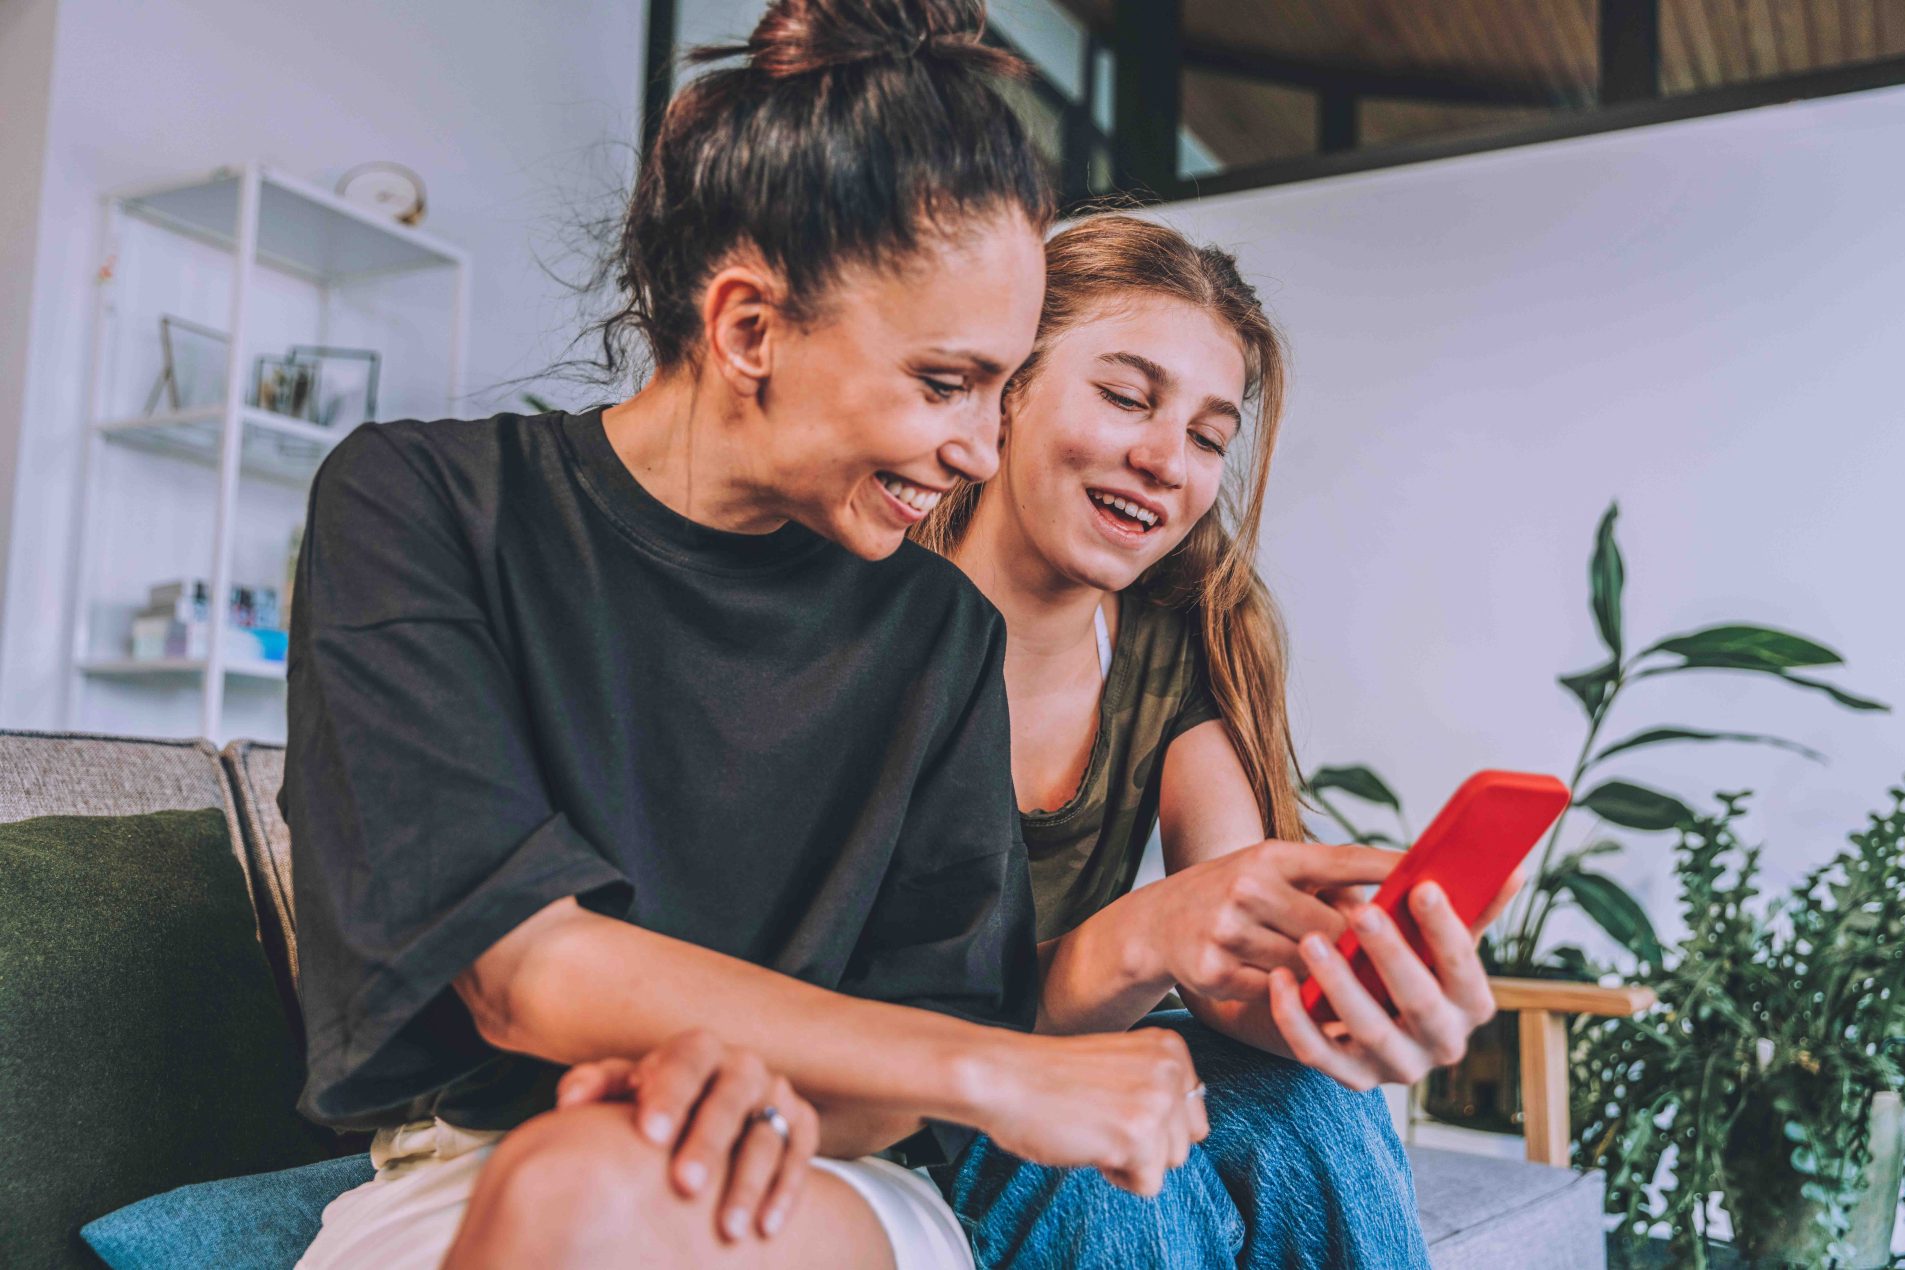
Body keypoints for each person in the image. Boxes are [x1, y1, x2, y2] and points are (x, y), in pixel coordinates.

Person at [283, 12, 1207, 1270]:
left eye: (1002, 387)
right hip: (473, 1169)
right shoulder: (421, 506)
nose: (983, 449)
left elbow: (908, 1059)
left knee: (590, 1195)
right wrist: (999, 1071)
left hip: (822, 1164)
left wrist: (794, 1085)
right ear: (749, 330)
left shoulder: (938, 632)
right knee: (579, 1189)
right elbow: (521, 972)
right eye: (946, 383)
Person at [914, 212, 1518, 1268]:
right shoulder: (870, 621)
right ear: (1008, 381)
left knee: (1313, 1108)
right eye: (1125, 395)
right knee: (1105, 1169)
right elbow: (882, 1009)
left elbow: (1230, 946)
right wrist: (1145, 936)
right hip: (912, 1073)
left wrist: (1331, 987)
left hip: (1072, 1047)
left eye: (1206, 435)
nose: (1164, 461)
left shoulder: (1184, 626)